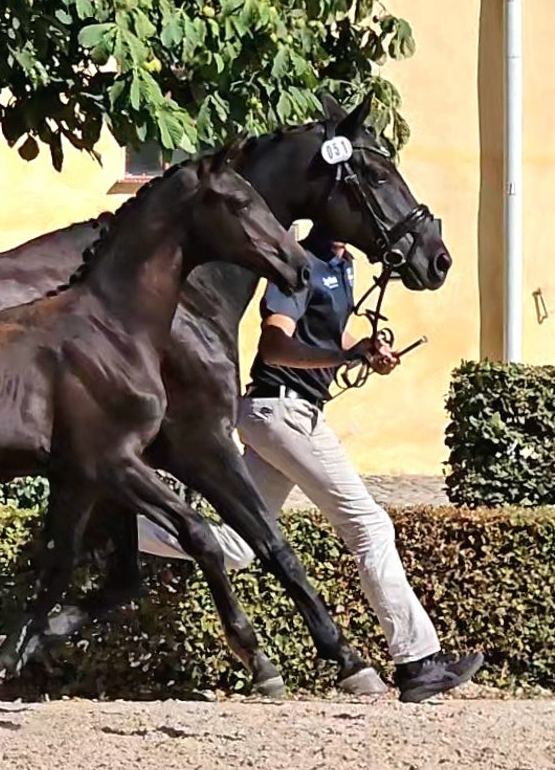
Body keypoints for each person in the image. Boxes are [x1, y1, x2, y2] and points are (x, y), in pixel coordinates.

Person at [137, 223, 483, 703]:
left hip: (279, 413)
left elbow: (329, 333)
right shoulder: (298, 266)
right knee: (370, 527)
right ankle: (418, 662)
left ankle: (126, 528)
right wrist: (343, 353)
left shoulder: (344, 265)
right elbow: (274, 344)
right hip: (285, 412)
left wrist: (364, 351)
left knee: (240, 544)